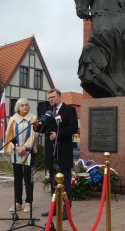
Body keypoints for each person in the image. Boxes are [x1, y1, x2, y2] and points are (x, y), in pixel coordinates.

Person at [35, 88, 78, 220]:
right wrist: (36, 126)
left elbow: (73, 128)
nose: (50, 100)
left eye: (53, 97)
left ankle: (66, 210)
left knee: (64, 182)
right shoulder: (48, 112)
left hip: (63, 151)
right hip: (51, 151)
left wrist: (58, 135)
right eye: (49, 98)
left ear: (59, 97)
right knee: (54, 182)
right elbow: (43, 129)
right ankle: (54, 209)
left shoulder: (69, 110)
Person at [4, 98, 37, 213]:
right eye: (22, 105)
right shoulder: (13, 119)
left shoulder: (33, 119)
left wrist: (25, 147)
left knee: (28, 177)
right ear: (18, 107)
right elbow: (10, 136)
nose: (25, 107)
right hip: (16, 152)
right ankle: (18, 202)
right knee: (17, 178)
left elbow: (33, 135)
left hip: (28, 151)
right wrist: (17, 147)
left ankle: (28, 202)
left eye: (26, 105)